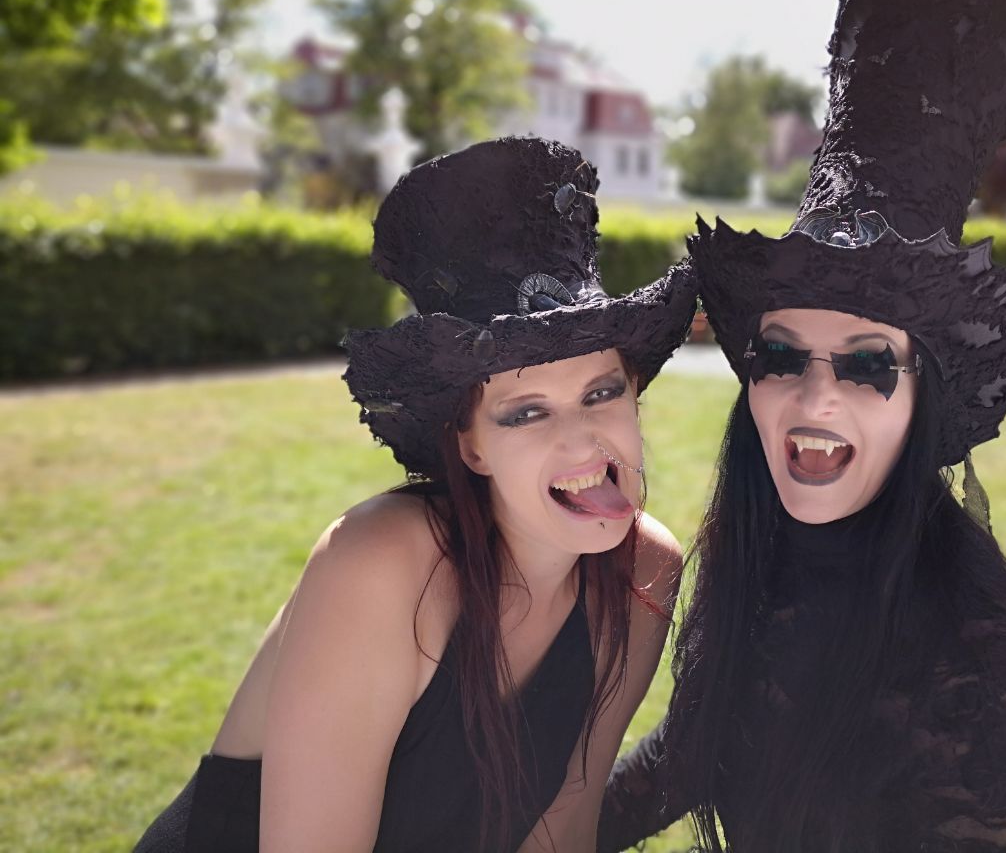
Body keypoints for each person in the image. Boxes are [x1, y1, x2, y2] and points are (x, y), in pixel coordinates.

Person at [597, 0, 1006, 853]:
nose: (814, 399)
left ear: (921, 400)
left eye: (867, 365)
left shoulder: (974, 656)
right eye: (781, 358)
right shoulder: (754, 554)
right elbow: (696, 748)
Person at [135, 137, 697, 852]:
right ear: (470, 445)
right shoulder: (383, 563)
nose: (582, 440)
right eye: (526, 413)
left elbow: (565, 825)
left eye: (601, 393)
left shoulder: (644, 572)